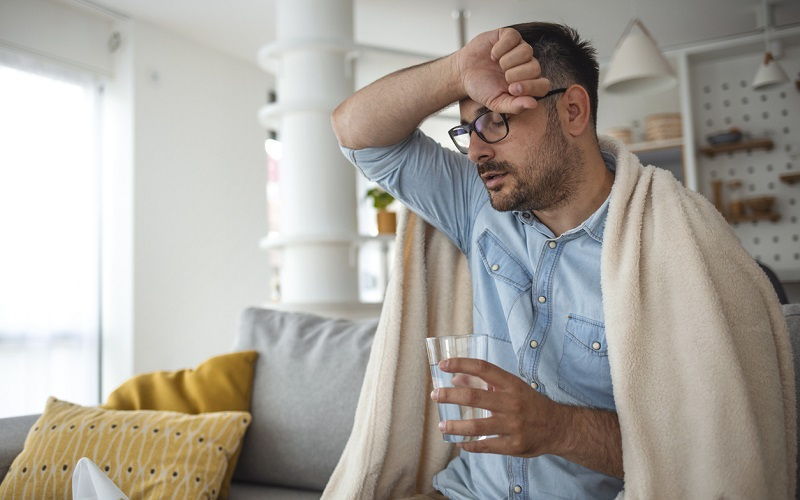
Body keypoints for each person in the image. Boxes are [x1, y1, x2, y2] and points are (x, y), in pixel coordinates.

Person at [331, 22, 792, 500]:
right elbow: (356, 132)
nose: (476, 150)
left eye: (495, 119)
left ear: (572, 110)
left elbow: (704, 454)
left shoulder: (668, 249)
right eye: (467, 129)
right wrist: (456, 71)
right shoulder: (477, 204)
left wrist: (557, 428)